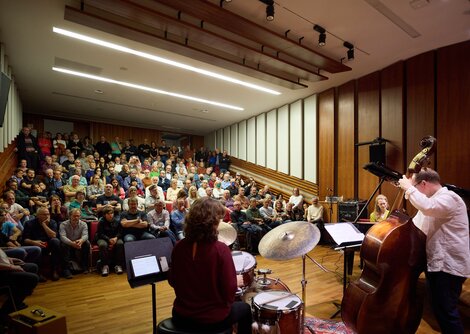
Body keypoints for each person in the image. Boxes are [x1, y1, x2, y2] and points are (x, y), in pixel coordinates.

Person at [398, 168, 470, 334]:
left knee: (447, 313)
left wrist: (408, 188)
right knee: (441, 312)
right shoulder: (433, 203)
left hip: (448, 266)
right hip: (437, 264)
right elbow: (415, 226)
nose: (414, 190)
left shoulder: (449, 198)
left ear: (423, 183)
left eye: (415, 186)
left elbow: (428, 207)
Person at [168, 197, 252, 333]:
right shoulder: (221, 249)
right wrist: (234, 282)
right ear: (211, 223)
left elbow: (172, 281)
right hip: (211, 319)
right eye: (218, 220)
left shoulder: (178, 247)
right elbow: (229, 293)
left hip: (181, 315)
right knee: (245, 309)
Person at [0, 248, 39, 321]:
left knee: (33, 267)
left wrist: (10, 259)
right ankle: (5, 313)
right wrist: (11, 267)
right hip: (2, 272)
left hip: (4, 267)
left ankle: (16, 302)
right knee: (32, 279)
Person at [59, 208, 91, 278]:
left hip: (78, 242)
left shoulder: (84, 224)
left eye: (78, 216)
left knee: (87, 243)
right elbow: (62, 237)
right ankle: (66, 269)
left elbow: (85, 235)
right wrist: (72, 243)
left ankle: (84, 266)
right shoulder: (63, 224)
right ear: (69, 216)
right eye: (74, 216)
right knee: (63, 244)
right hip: (68, 243)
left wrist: (81, 241)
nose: (76, 218)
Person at [95, 206, 124, 276]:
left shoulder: (117, 221)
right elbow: (100, 234)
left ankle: (118, 265)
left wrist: (116, 238)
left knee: (120, 243)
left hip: (115, 238)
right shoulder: (101, 222)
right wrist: (109, 239)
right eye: (108, 214)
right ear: (105, 215)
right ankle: (104, 266)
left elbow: (120, 232)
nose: (111, 215)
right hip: (103, 238)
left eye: (112, 213)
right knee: (103, 245)